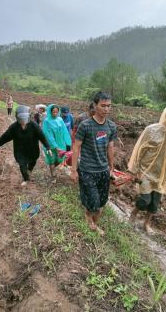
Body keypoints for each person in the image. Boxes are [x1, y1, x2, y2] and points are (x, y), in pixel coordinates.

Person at [128, 104, 166, 234]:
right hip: (146, 171)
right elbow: (140, 150)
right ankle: (133, 215)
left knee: (155, 204)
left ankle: (146, 224)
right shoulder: (152, 130)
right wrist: (135, 171)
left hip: (163, 175)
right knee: (145, 200)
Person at [70, 92, 117, 235]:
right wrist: (73, 170)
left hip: (103, 170)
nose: (106, 109)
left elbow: (110, 147)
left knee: (102, 202)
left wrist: (112, 167)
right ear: (95, 105)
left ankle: (93, 220)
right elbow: (76, 147)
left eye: (109, 106)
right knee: (94, 201)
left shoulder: (111, 126)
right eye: (103, 106)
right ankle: (89, 220)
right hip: (87, 169)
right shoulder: (85, 125)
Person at [0, 105, 51, 187]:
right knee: (22, 164)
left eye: (25, 118)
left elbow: (42, 136)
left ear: (28, 117)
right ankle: (26, 179)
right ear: (17, 118)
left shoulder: (34, 125)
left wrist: (47, 147)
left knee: (33, 161)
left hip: (32, 149)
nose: (23, 121)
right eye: (21, 119)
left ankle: (29, 170)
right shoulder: (14, 127)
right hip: (20, 150)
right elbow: (5, 137)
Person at [42, 104, 72, 179]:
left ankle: (53, 169)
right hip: (50, 145)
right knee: (51, 160)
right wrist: (55, 146)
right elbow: (49, 135)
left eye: (56, 112)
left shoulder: (60, 119)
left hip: (61, 144)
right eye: (53, 112)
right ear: (50, 112)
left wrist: (68, 142)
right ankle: (53, 176)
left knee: (60, 159)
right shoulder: (47, 121)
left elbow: (65, 131)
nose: (55, 114)